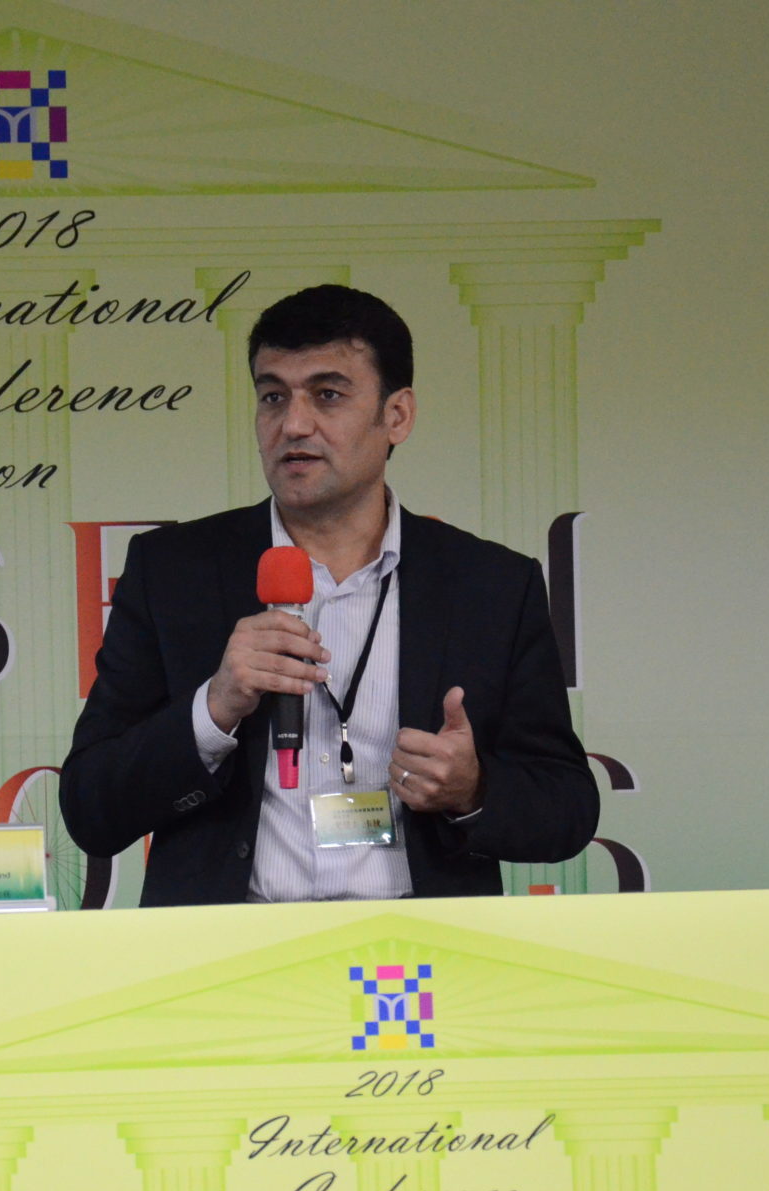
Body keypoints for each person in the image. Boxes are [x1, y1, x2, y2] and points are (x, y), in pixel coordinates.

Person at [58, 284, 598, 905]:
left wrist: (472, 789)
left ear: (397, 416)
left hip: (415, 948)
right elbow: (90, 808)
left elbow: (567, 810)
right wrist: (214, 707)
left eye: (328, 395)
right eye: (272, 396)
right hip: (230, 949)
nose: (293, 424)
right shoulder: (172, 572)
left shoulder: (490, 584)